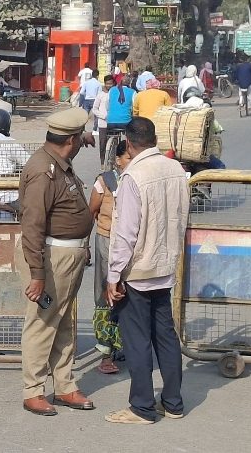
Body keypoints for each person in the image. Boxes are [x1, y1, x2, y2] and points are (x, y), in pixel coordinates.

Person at [104, 118, 189, 425]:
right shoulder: (176, 169)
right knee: (165, 336)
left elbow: (125, 233)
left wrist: (114, 276)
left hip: (138, 270)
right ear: (154, 138)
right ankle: (173, 402)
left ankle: (142, 407)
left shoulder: (133, 177)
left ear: (128, 141)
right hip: (164, 266)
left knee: (137, 340)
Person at [18, 107, 96, 417]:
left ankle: (64, 385)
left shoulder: (59, 162)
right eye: (80, 138)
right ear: (72, 140)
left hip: (68, 254)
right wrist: (37, 273)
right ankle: (33, 390)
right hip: (51, 257)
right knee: (42, 322)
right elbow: (32, 224)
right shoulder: (43, 169)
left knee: (63, 322)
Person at [88, 140, 131, 376]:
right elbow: (91, 211)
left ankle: (123, 344)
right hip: (107, 242)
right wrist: (86, 245)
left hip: (131, 244)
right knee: (105, 295)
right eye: (127, 158)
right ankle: (105, 353)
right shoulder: (105, 181)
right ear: (117, 159)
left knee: (127, 295)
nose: (130, 163)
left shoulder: (138, 180)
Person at [102, 75, 135, 158]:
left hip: (111, 121)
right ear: (129, 83)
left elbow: (107, 104)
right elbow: (135, 107)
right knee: (130, 135)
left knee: (111, 134)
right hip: (125, 122)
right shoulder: (133, 92)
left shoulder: (112, 90)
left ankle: (109, 151)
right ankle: (129, 152)